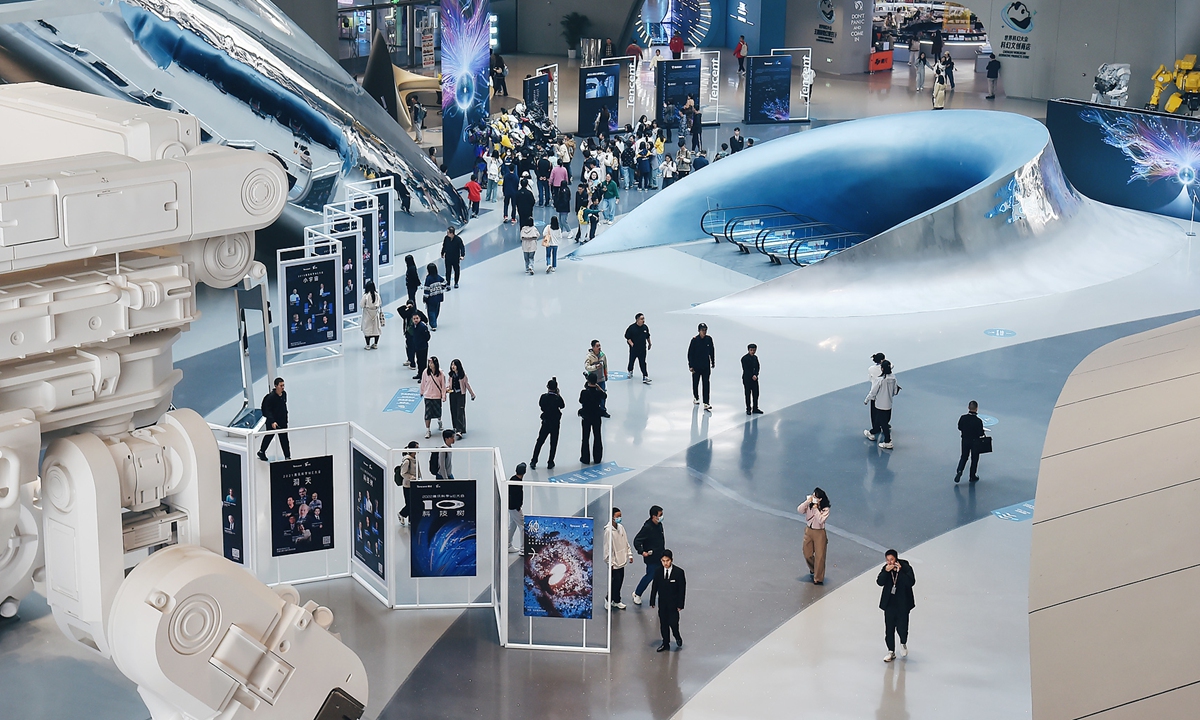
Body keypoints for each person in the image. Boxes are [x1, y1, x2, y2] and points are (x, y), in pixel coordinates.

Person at [878, 549, 916, 663]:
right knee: (889, 629)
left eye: (892, 560)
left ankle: (903, 643)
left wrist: (901, 571)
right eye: (887, 560)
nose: (890, 562)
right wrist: (885, 571)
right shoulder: (886, 569)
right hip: (890, 603)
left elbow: (911, 582)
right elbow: (880, 582)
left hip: (903, 603)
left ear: (896, 559)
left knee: (902, 627)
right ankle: (891, 651)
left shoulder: (906, 567)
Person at [649, 548, 686, 651]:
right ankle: (665, 643)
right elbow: (654, 586)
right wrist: (652, 600)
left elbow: (682, 589)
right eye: (663, 561)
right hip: (663, 603)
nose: (665, 563)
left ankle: (677, 636)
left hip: (674, 604)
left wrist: (680, 604)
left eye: (667, 560)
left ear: (672, 560)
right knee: (663, 624)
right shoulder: (658, 571)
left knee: (673, 623)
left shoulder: (679, 572)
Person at [632, 505, 665, 604]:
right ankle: (637, 593)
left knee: (660, 576)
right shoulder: (647, 527)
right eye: (660, 515)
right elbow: (637, 540)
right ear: (654, 516)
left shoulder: (659, 525)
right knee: (650, 575)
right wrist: (642, 551)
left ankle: (661, 596)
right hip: (652, 558)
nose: (662, 517)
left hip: (660, 556)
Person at [798, 488, 830, 585]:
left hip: (819, 532)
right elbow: (799, 510)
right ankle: (813, 568)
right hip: (809, 530)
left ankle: (818, 578)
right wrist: (807, 502)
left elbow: (821, 520)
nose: (813, 498)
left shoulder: (825, 509)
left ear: (820, 499)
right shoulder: (809, 505)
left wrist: (816, 509)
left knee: (820, 556)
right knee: (807, 553)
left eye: (815, 496)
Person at [604, 507, 634, 610]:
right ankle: (608, 599)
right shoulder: (608, 531)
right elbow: (607, 548)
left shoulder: (621, 527)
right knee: (615, 582)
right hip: (614, 562)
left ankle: (616, 600)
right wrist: (610, 562)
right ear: (612, 517)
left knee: (620, 581)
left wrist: (629, 554)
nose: (619, 518)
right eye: (617, 516)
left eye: (620, 516)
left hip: (622, 560)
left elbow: (625, 542)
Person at [531, 377, 565, 469]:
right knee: (553, 443)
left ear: (547, 387)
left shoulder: (543, 397)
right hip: (555, 423)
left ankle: (534, 461)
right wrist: (558, 394)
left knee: (540, 441)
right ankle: (550, 462)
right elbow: (562, 406)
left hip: (546, 422)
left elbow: (541, 406)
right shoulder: (557, 399)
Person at [865, 359, 899, 449]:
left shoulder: (880, 380)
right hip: (889, 404)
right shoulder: (894, 378)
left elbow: (873, 392)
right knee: (883, 421)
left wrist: (867, 399)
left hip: (879, 404)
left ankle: (887, 441)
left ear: (882, 369)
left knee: (882, 422)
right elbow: (895, 391)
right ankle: (873, 432)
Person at [258, 377, 289, 461]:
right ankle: (261, 451)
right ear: (276, 386)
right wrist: (272, 421)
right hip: (273, 422)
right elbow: (267, 410)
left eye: (283, 385)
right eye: (281, 385)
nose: (283, 387)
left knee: (284, 439)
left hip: (282, 421)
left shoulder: (284, 394)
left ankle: (287, 456)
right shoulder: (270, 398)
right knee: (269, 436)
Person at [579, 371, 607, 464]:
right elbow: (604, 396)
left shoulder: (584, 393)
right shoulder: (598, 393)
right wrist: (599, 388)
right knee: (597, 436)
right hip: (596, 416)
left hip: (586, 416)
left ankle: (585, 458)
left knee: (585, 437)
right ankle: (597, 458)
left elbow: (581, 401)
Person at [955, 400, 986, 483]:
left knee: (964, 456)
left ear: (968, 407)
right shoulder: (978, 421)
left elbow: (959, 427)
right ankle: (972, 476)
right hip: (975, 442)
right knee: (974, 459)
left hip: (965, 440)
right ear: (976, 409)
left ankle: (959, 470)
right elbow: (981, 433)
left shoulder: (963, 418)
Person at [687, 322, 715, 411]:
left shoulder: (709, 339)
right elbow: (690, 353)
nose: (704, 332)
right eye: (702, 330)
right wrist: (690, 365)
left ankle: (706, 402)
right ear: (699, 331)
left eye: (705, 330)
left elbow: (712, 350)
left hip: (706, 365)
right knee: (696, 383)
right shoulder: (694, 340)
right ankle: (696, 397)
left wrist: (713, 361)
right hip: (696, 366)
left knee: (706, 384)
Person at [420, 356, 448, 439]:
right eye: (429, 363)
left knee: (438, 411)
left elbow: (443, 385)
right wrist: (422, 392)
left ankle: (439, 421)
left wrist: (443, 396)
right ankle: (428, 429)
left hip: (436, 396)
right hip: (428, 395)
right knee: (427, 414)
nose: (430, 364)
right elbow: (423, 383)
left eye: (431, 363)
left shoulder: (441, 373)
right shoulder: (425, 372)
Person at [447, 358, 476, 439]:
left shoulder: (463, 376)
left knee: (460, 411)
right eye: (452, 365)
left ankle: (460, 429)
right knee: (453, 410)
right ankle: (455, 427)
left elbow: (467, 385)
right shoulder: (451, 375)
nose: (453, 366)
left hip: (460, 395)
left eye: (454, 365)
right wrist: (447, 389)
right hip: (452, 394)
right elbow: (449, 384)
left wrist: (472, 394)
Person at [394, 441, 419, 527]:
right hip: (408, 485)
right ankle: (401, 514)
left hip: (415, 484)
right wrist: (412, 477)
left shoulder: (415, 458)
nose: (418, 449)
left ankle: (411, 520)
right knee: (410, 503)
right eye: (416, 448)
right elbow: (403, 473)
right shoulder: (407, 461)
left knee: (413, 502)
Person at [625, 313, 652, 384]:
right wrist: (632, 344)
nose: (643, 320)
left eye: (643, 319)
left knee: (643, 362)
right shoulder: (632, 328)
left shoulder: (645, 327)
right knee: (631, 361)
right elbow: (628, 337)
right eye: (641, 319)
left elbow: (647, 336)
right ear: (637, 320)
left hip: (642, 349)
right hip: (634, 349)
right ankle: (630, 371)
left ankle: (645, 376)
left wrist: (649, 343)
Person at [584, 340, 609, 410]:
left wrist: (606, 374)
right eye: (597, 346)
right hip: (593, 380)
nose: (599, 347)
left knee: (602, 393)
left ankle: (602, 409)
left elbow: (605, 365)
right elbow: (587, 367)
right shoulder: (589, 357)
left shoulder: (602, 355)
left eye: (599, 345)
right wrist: (595, 367)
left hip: (601, 378)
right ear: (593, 347)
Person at [507, 463, 526, 553]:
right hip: (515, 508)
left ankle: (507, 545)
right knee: (522, 527)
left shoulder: (513, 479)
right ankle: (523, 549)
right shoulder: (517, 483)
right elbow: (516, 497)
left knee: (512, 525)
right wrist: (518, 507)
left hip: (511, 507)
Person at [407, 310, 431, 378]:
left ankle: (423, 376)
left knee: (423, 362)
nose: (416, 320)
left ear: (420, 318)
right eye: (414, 319)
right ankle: (420, 374)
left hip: (423, 347)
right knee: (419, 361)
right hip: (417, 346)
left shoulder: (422, 327)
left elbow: (427, 337)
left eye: (417, 318)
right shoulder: (414, 326)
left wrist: (422, 342)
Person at [423, 263, 446, 330]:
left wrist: (425, 298)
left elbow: (427, 289)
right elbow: (445, 282)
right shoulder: (438, 277)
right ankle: (434, 320)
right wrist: (441, 288)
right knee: (436, 310)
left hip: (431, 298)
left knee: (431, 311)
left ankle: (433, 324)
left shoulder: (428, 278)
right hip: (438, 297)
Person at [361, 280, 382, 350]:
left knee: (367, 329)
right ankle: (375, 344)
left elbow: (361, 305)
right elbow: (380, 303)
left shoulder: (366, 296)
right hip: (375, 314)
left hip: (367, 315)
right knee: (376, 329)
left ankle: (367, 345)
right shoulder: (377, 295)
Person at [741, 343, 762, 415]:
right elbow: (746, 369)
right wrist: (752, 375)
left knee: (756, 393)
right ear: (748, 350)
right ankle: (748, 409)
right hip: (747, 379)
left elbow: (758, 367)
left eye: (754, 350)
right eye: (751, 350)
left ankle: (755, 408)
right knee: (748, 394)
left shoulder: (755, 358)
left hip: (755, 379)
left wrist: (756, 374)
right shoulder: (744, 358)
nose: (753, 351)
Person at [501, 158, 519, 223]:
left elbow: (504, 184)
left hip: (507, 192)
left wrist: (503, 192)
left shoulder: (506, 176)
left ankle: (505, 216)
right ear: (514, 169)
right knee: (513, 205)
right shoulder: (516, 177)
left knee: (506, 204)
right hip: (514, 192)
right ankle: (513, 218)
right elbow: (517, 185)